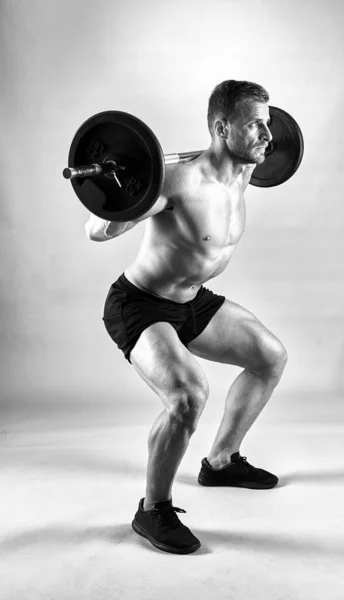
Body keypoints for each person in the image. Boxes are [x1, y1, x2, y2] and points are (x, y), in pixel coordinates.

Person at [85, 80, 288, 555]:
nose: (268, 134)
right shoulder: (177, 181)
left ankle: (220, 461)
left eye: (269, 122)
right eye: (256, 123)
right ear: (222, 127)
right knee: (188, 396)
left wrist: (252, 142)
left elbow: (266, 151)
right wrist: (124, 182)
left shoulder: (242, 170)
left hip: (192, 301)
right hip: (139, 303)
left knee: (270, 357)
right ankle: (152, 509)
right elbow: (97, 230)